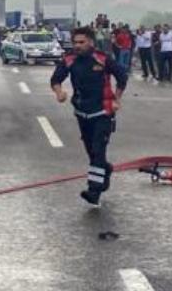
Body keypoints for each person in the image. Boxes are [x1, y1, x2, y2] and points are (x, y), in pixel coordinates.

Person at [51, 26, 128, 207]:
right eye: (75, 42)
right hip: (82, 113)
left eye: (81, 42)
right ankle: (105, 170)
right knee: (92, 153)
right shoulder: (69, 59)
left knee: (98, 149)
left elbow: (122, 77)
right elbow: (55, 79)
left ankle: (94, 191)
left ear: (91, 42)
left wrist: (117, 99)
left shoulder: (102, 58)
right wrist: (59, 92)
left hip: (103, 112)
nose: (77, 46)